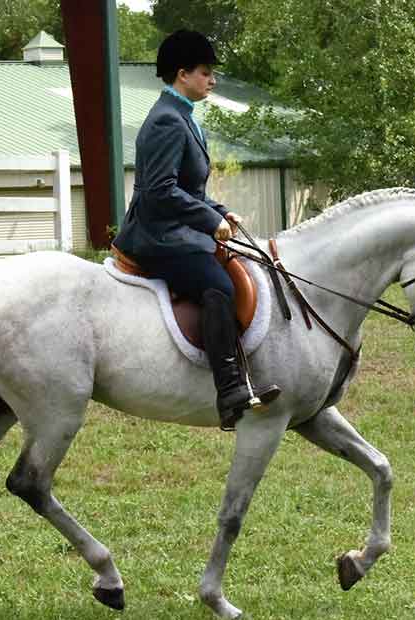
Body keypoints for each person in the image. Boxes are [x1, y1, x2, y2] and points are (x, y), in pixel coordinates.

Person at [112, 29, 278, 430]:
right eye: (205, 72)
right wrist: (209, 221)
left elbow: (187, 188)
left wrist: (221, 211)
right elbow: (159, 191)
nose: (212, 80)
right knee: (217, 286)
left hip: (175, 227)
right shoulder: (168, 121)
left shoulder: (183, 116)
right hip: (156, 235)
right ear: (182, 74)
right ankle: (230, 389)